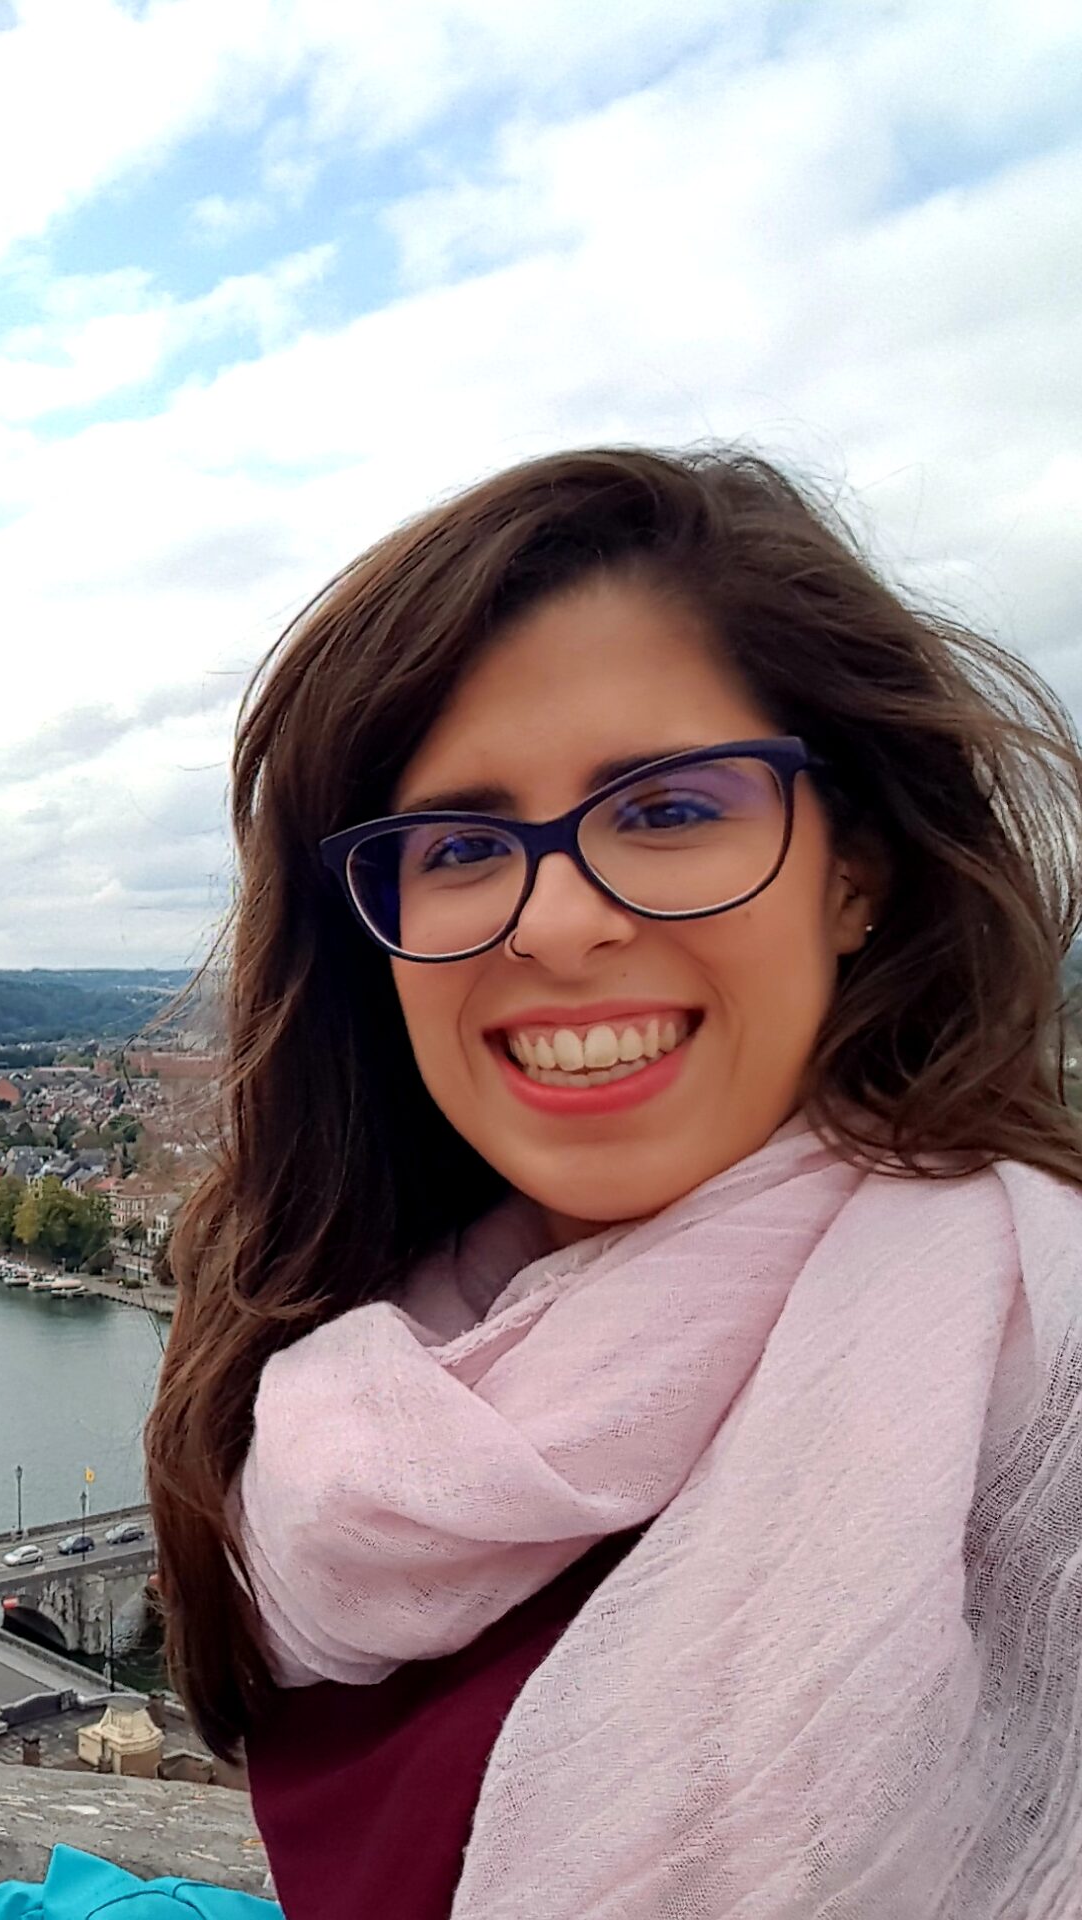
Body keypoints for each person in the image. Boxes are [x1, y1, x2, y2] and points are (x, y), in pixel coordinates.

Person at [144, 448, 1082, 1918]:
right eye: (462, 844)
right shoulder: (346, 1386)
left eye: (669, 811)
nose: (561, 924)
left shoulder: (1039, 1367)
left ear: (856, 871)